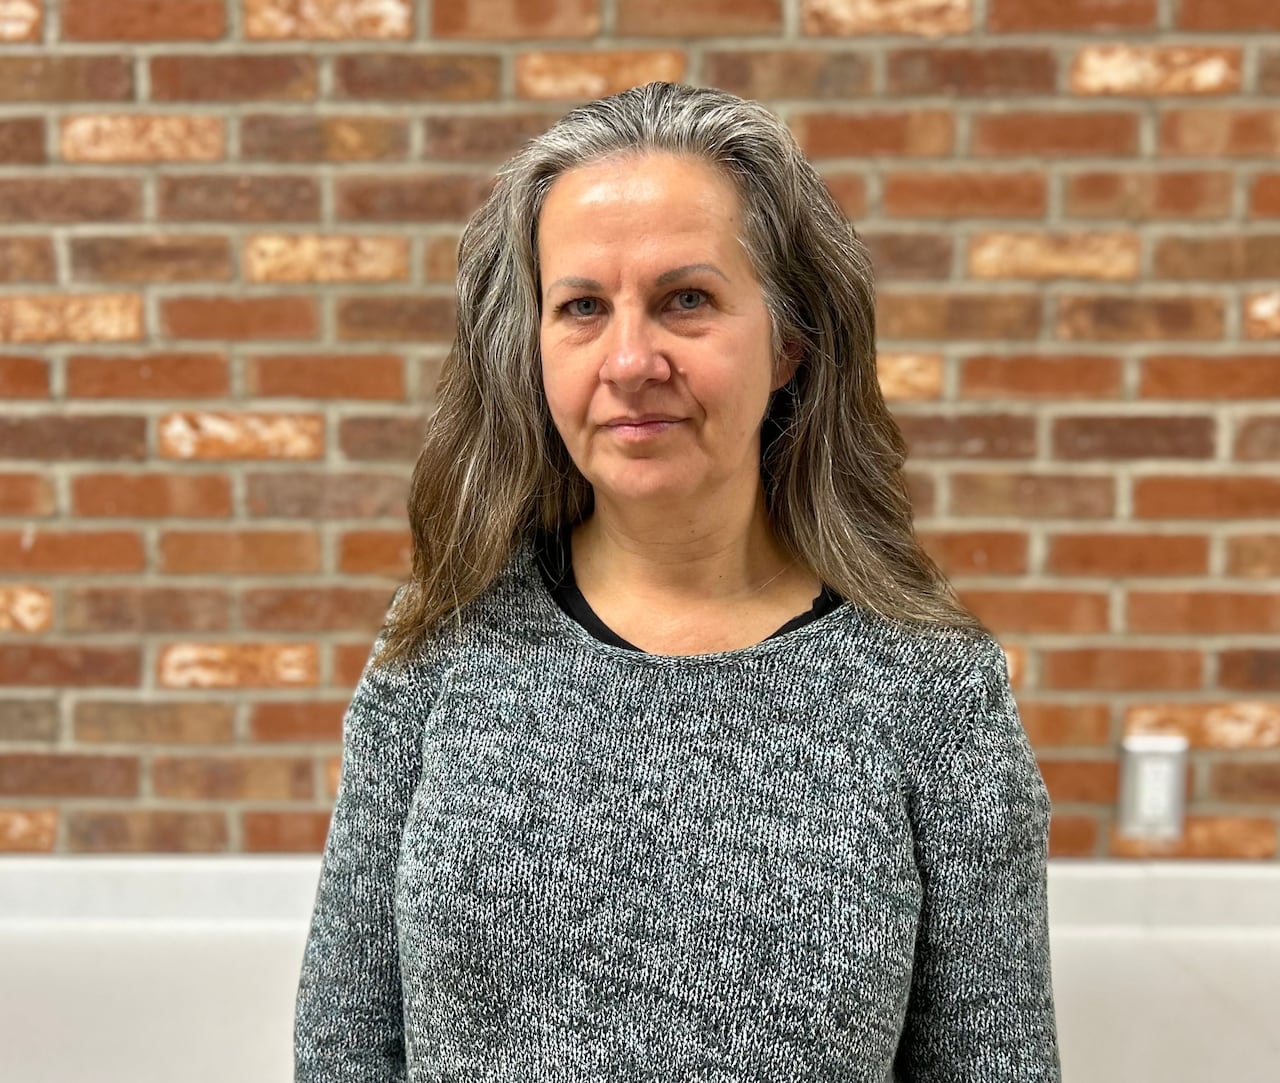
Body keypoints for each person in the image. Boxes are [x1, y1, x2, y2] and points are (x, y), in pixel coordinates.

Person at [294, 81, 1061, 1082]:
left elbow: (993, 1066)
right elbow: (345, 1046)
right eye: (579, 308)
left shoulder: (928, 691)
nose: (627, 359)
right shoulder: (441, 642)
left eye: (684, 300)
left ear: (788, 344)